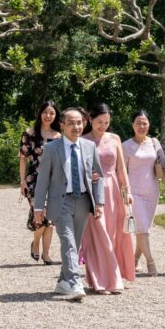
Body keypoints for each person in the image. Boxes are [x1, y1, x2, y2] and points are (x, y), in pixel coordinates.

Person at [33, 107, 104, 302]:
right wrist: (39, 207)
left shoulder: (89, 147)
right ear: (62, 125)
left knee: (76, 243)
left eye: (80, 122)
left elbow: (98, 177)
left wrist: (99, 202)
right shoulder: (51, 148)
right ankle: (74, 282)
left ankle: (63, 281)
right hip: (61, 202)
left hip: (83, 201)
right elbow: (43, 181)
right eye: (71, 123)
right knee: (68, 242)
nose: (76, 126)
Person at [80, 103, 135, 294]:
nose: (103, 126)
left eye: (106, 122)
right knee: (99, 235)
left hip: (112, 191)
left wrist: (127, 191)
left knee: (112, 235)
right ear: (90, 120)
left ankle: (105, 278)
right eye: (99, 122)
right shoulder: (82, 140)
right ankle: (108, 281)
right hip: (91, 192)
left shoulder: (114, 138)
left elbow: (121, 167)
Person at [122, 110, 165, 276]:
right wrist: (125, 192)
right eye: (138, 123)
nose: (141, 126)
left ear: (149, 125)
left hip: (152, 191)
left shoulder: (155, 143)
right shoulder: (126, 146)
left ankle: (134, 260)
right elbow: (121, 171)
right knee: (142, 229)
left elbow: (163, 164)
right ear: (132, 125)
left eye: (144, 123)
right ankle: (150, 261)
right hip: (135, 192)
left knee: (144, 228)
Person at [19, 101, 62, 264]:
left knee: (50, 220)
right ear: (40, 113)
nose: (48, 116)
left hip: (54, 180)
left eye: (52, 113)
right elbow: (23, 158)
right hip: (34, 179)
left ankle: (46, 254)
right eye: (45, 112)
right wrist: (22, 182)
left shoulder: (58, 136)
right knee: (41, 215)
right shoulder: (29, 133)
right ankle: (35, 243)